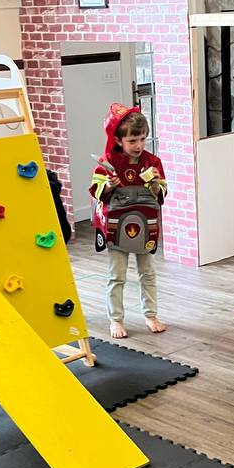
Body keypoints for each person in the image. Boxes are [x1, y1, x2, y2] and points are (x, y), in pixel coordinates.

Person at [90, 104, 167, 338]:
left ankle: (150, 314)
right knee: (117, 274)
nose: (139, 145)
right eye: (133, 140)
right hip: (116, 227)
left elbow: (162, 193)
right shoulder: (108, 162)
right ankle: (116, 320)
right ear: (118, 140)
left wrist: (155, 185)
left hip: (145, 226)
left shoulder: (152, 162)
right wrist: (108, 186)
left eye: (143, 139)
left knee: (148, 272)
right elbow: (96, 191)